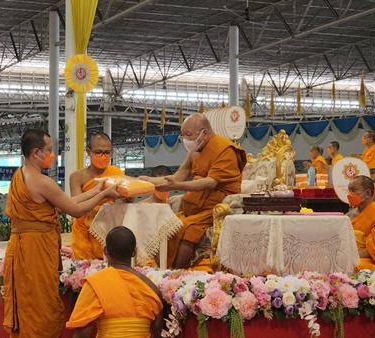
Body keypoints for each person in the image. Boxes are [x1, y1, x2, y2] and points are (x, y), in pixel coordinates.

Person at [3, 129, 120, 338]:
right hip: (35, 249)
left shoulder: (21, 174)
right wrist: (105, 194)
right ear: (36, 152)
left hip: (23, 246)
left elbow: (63, 203)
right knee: (41, 303)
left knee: (28, 300)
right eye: (49, 150)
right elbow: (75, 211)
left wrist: (95, 190)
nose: (53, 154)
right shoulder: (42, 181)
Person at [140, 113, 246, 269]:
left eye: (189, 135)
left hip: (216, 207)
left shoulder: (225, 150)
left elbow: (211, 182)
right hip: (195, 206)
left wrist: (176, 186)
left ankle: (177, 271)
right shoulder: (195, 151)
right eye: (183, 135)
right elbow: (178, 177)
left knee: (187, 228)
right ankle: (161, 267)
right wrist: (146, 181)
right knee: (168, 225)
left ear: (204, 133)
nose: (185, 140)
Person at [66, 226, 164, 338]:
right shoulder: (151, 288)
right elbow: (158, 332)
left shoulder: (96, 284)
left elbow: (82, 334)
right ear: (134, 252)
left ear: (105, 251)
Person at [70, 132, 125, 260]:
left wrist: (128, 197)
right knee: (85, 265)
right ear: (88, 152)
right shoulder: (77, 177)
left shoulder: (117, 173)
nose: (103, 156)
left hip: (108, 223)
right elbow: (75, 205)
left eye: (107, 152)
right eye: (98, 152)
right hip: (83, 226)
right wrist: (101, 194)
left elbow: (126, 202)